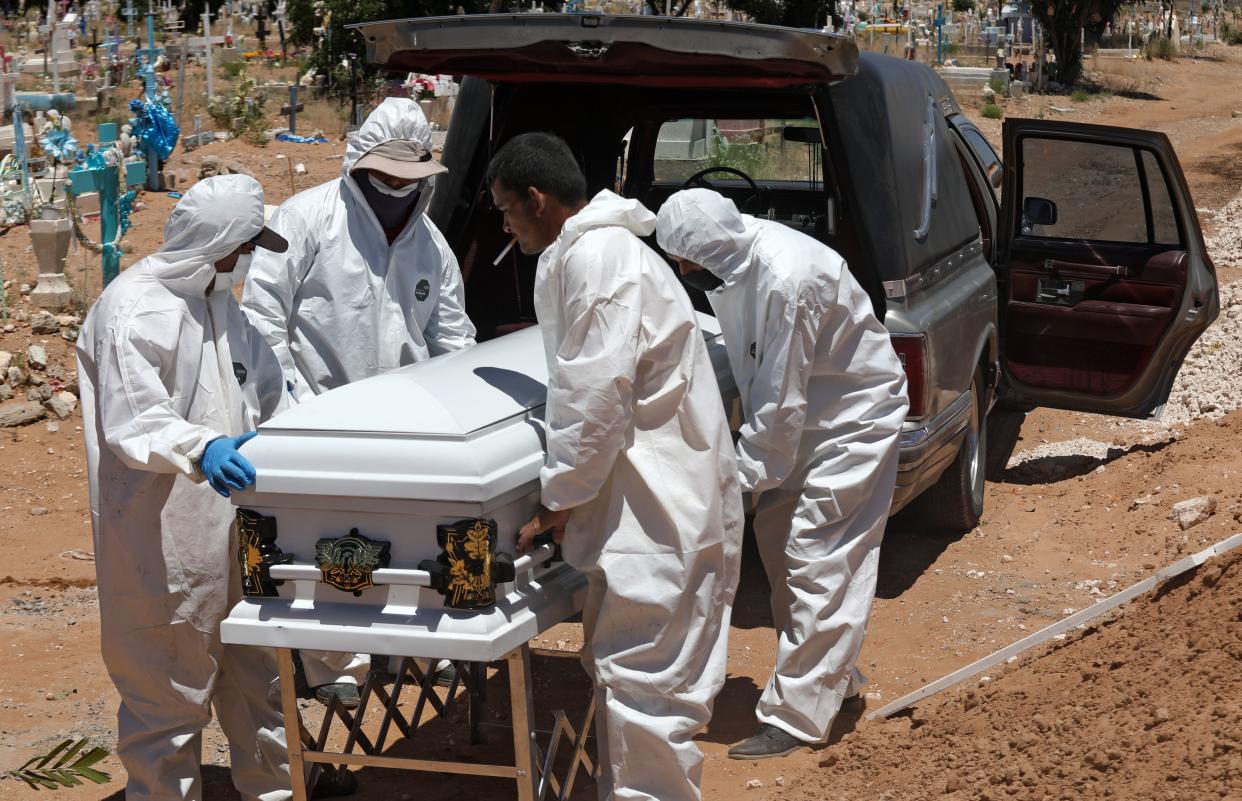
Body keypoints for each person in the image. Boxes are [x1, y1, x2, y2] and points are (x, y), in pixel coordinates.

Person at [492, 133, 743, 801]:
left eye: (506, 210)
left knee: (646, 687)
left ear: (536, 199)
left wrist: (559, 499)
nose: (505, 224)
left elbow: (596, 391)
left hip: (657, 514)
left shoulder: (600, 260)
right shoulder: (606, 253)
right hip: (659, 504)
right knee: (643, 683)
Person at [655, 189, 909, 760]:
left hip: (851, 421)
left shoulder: (788, 279)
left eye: (686, 265)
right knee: (780, 551)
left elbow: (779, 400)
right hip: (802, 423)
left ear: (705, 255)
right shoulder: (730, 255)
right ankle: (829, 678)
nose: (683, 272)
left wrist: (729, 484)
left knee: (817, 557)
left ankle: (796, 715)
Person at [243, 97, 476, 706]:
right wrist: (290, 407)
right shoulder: (306, 220)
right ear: (358, 165)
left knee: (408, 536)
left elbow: (453, 337)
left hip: (406, 424)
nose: (397, 190)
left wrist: (454, 409)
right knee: (325, 544)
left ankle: (407, 647)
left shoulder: (430, 244)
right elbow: (264, 319)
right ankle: (330, 663)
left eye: (409, 180)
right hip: (318, 413)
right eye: (386, 178)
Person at [77, 175, 294, 801]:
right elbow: (134, 420)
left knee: (258, 672)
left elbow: (269, 390)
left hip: (237, 526)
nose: (248, 261)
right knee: (166, 689)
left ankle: (274, 791)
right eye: (245, 247)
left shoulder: (223, 306)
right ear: (217, 242)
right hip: (162, 533)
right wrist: (203, 446)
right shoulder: (134, 310)